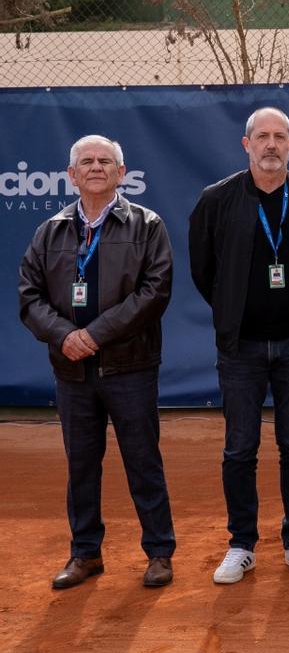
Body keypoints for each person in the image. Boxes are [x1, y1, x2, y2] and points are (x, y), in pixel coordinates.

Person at [189, 106, 289, 585]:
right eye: (262, 137)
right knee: (239, 448)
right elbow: (203, 270)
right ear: (246, 144)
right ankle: (241, 544)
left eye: (280, 137)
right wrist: (235, 309)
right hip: (241, 349)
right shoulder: (217, 200)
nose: (271, 144)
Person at [18, 134, 176, 590]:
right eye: (85, 161)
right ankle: (85, 554)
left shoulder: (147, 225)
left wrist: (94, 334)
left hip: (131, 367)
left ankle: (159, 553)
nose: (95, 167)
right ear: (71, 175)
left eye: (105, 161)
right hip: (72, 371)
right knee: (81, 465)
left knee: (143, 461)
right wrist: (66, 336)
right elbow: (29, 296)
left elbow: (154, 292)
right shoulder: (49, 232)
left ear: (121, 173)